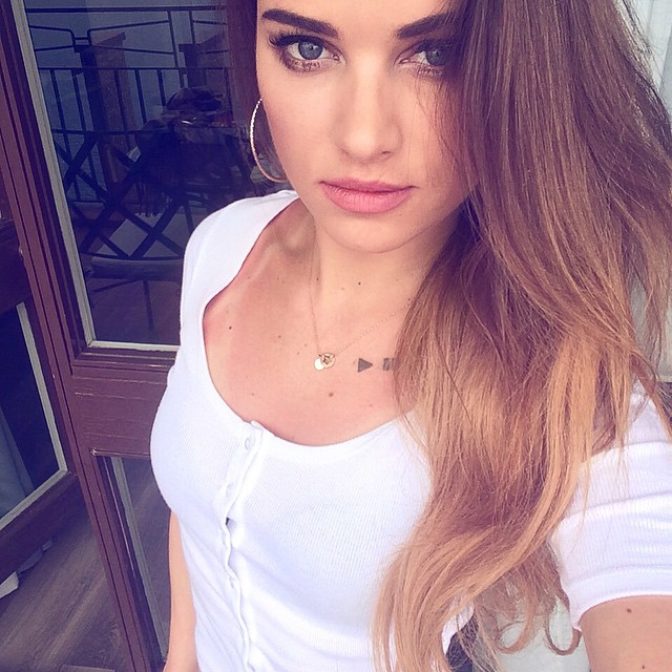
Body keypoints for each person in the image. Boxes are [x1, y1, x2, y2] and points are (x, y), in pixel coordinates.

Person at [149, 1, 672, 671]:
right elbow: (196, 510)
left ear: (522, 76)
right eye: (307, 48)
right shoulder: (222, 247)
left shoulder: (551, 373)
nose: (364, 136)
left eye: (436, 54)